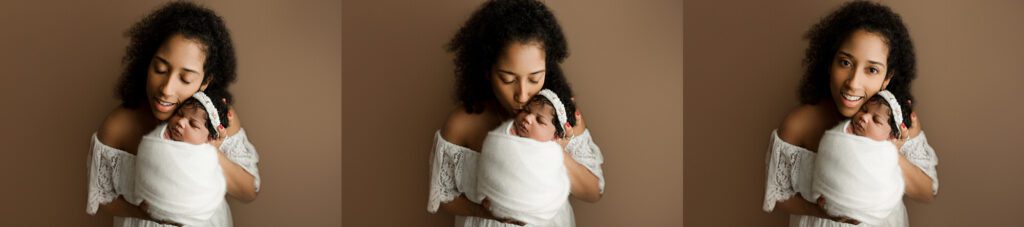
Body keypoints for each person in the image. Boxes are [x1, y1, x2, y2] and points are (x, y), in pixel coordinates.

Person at [426, 0, 605, 226]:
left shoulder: (561, 120)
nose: (522, 94)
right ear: (486, 70)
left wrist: (557, 149)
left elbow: (593, 192)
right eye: (508, 79)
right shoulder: (462, 125)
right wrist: (491, 214)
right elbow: (443, 197)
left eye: (534, 78)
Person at [762, 1, 938, 226]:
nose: (853, 83)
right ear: (830, 63)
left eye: (872, 69)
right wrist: (826, 213)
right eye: (845, 62)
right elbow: (778, 195)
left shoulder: (900, 124)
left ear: (887, 78)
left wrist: (891, 151)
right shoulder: (799, 124)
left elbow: (926, 192)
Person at [87, 2, 260, 226]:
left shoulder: (216, 119)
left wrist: (210, 150)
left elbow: (248, 192)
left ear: (205, 82)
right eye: (160, 69)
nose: (166, 89)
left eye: (186, 79)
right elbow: (102, 197)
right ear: (147, 62)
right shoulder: (118, 126)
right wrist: (149, 214)